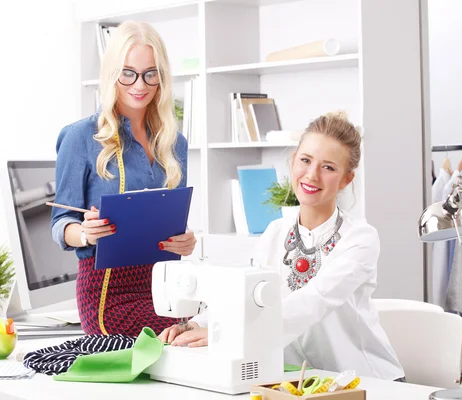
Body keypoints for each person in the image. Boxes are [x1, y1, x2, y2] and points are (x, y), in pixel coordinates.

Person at [159, 112, 405, 381]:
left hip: (368, 382)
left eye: (329, 167)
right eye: (306, 160)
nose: (312, 175)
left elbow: (314, 300)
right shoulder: (276, 232)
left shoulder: (360, 239)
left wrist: (226, 331)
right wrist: (198, 323)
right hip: (302, 381)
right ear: (292, 161)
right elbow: (246, 296)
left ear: (346, 179)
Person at [51, 21, 196, 337]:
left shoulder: (175, 144)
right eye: (127, 72)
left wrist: (186, 241)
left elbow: (171, 223)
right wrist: (87, 233)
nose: (139, 84)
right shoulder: (81, 137)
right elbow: (60, 224)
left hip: (165, 284)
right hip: (107, 295)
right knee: (189, 335)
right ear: (112, 73)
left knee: (215, 324)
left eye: (150, 73)